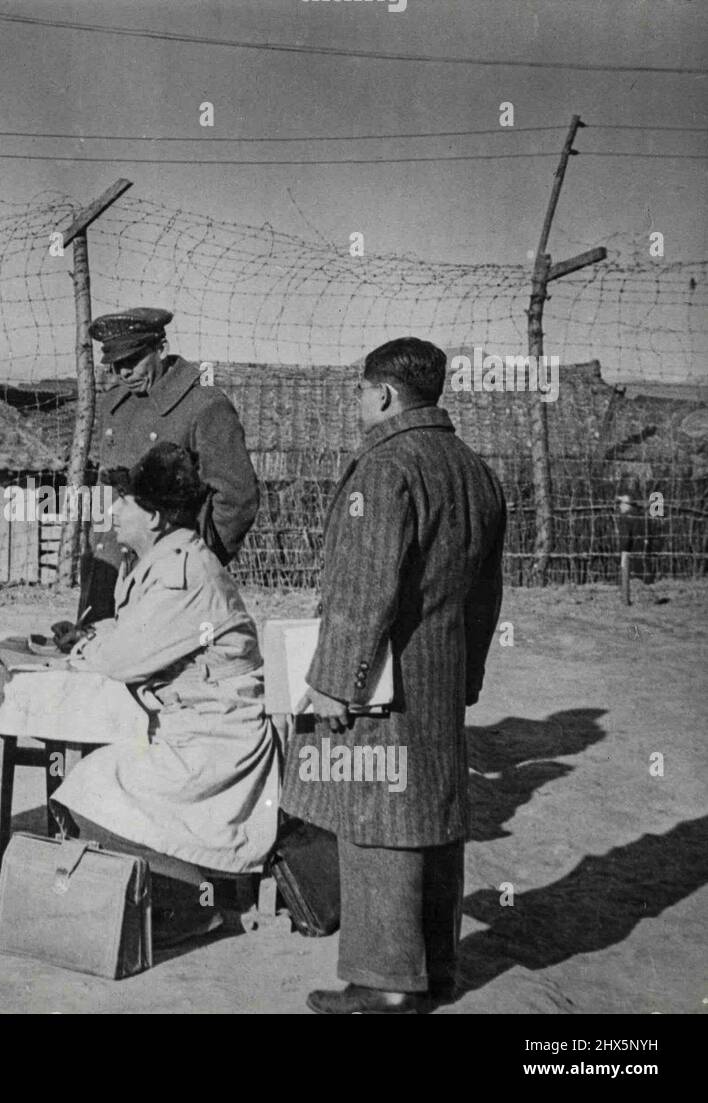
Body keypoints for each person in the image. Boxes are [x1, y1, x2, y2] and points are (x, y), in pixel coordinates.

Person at [279, 337, 506, 1014]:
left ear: (381, 394)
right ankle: (435, 967)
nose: (357, 403)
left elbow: (363, 589)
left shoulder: (386, 467)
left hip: (381, 679)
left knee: (375, 815)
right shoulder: (474, 470)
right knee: (432, 814)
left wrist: (333, 683)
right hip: (440, 674)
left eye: (360, 391)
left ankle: (384, 979)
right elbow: (486, 595)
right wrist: (469, 673)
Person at [50, 442, 281, 950]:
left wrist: (89, 647)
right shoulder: (166, 559)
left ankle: (190, 901)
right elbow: (133, 636)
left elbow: (121, 659)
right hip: (192, 726)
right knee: (96, 779)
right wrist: (94, 638)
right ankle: (167, 890)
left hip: (216, 740)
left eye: (124, 502)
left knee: (86, 789)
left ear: (153, 517)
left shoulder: (183, 574)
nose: (113, 510)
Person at [71, 307, 259, 630]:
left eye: (133, 360)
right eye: (115, 365)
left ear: (161, 348)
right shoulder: (114, 405)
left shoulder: (203, 405)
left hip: (168, 584)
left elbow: (237, 497)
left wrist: (197, 560)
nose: (124, 372)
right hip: (109, 572)